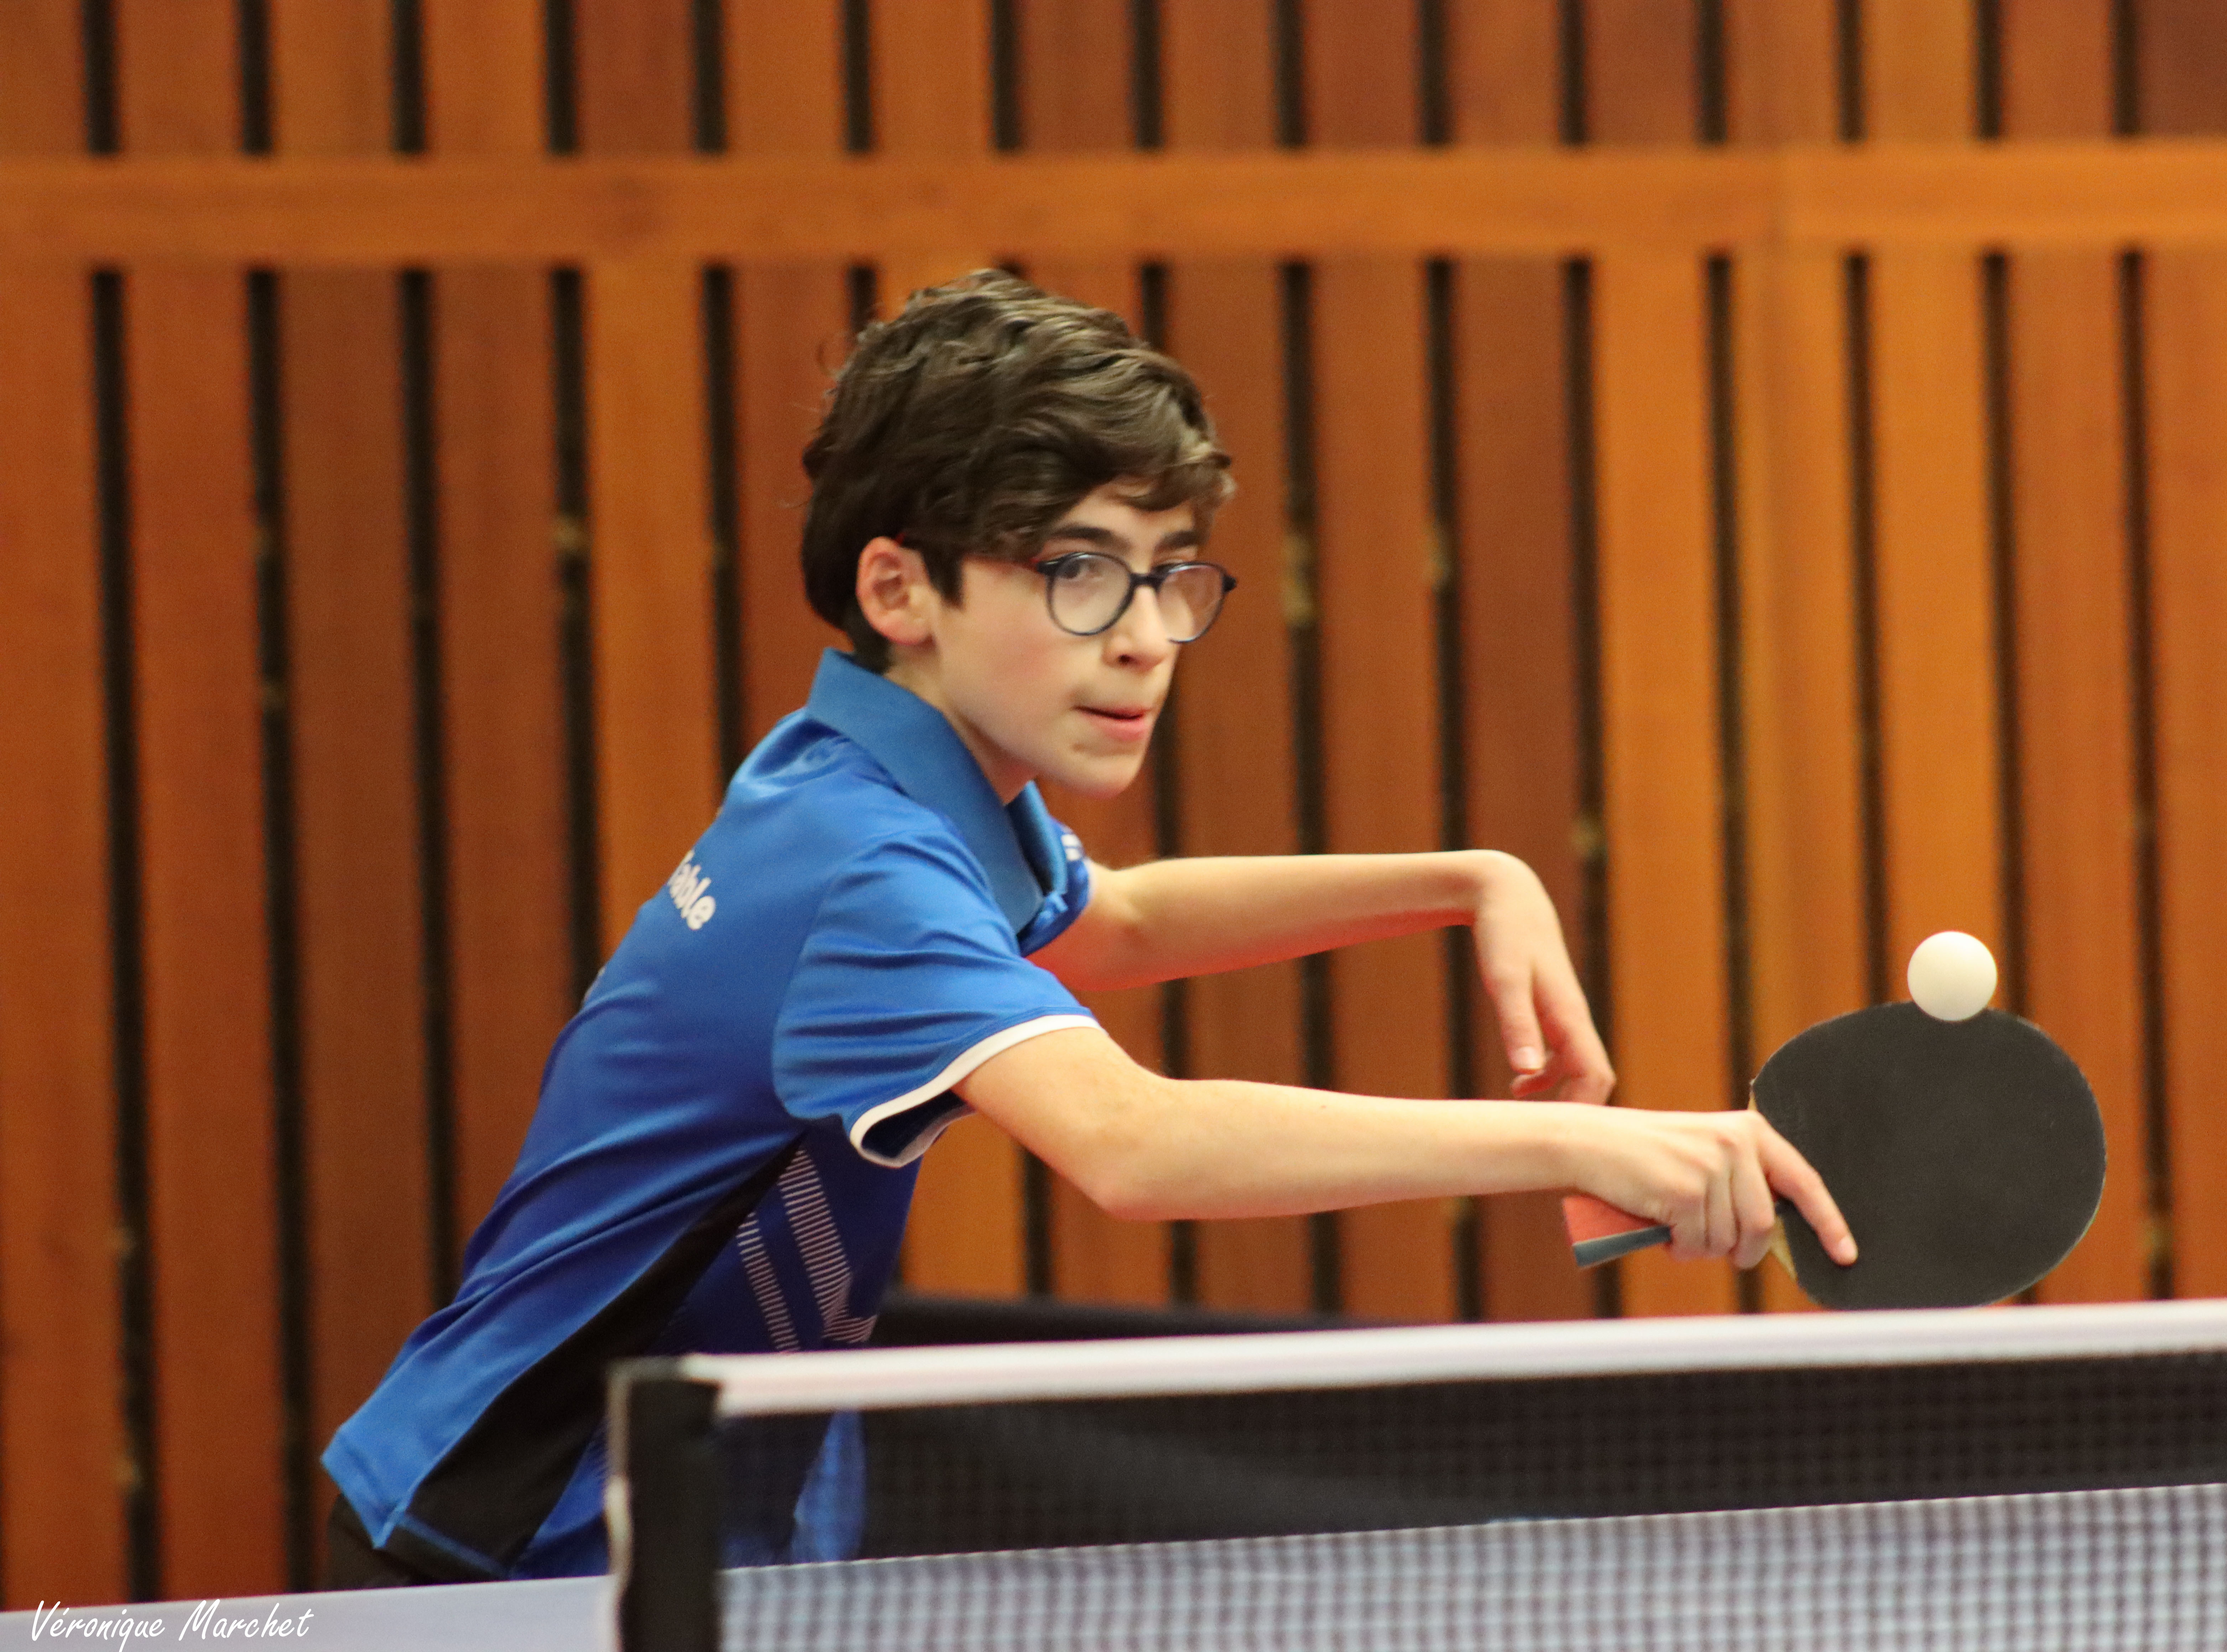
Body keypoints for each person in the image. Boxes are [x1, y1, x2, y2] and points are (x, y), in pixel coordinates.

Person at [320, 271, 1854, 1587]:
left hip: (697, 1515)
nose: (1146, 637)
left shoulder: (876, 779)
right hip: (508, 1545)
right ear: (899, 587)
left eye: (1169, 577)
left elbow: (1112, 919)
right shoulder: (862, 866)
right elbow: (1135, 1145)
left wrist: (1471, 877)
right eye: (1077, 572)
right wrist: (1580, 1144)